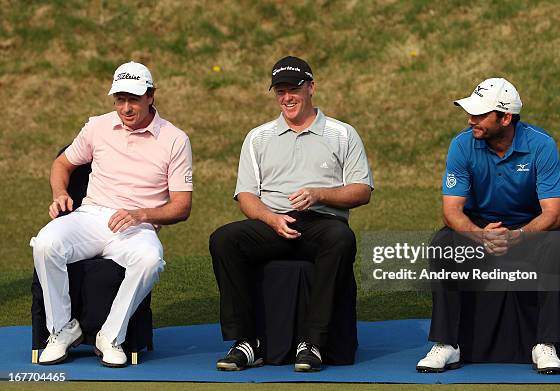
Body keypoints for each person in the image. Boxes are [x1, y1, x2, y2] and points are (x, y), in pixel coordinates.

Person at [209, 56, 373, 372]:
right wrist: (271, 219)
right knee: (224, 240)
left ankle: (312, 343)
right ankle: (245, 342)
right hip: (272, 222)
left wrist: (319, 194)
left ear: (311, 87)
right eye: (280, 91)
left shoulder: (342, 134)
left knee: (341, 238)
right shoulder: (259, 137)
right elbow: (246, 196)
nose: (287, 98)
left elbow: (361, 191)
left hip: (322, 222)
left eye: (293, 90)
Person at [31, 61, 193, 367]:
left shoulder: (175, 139)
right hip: (90, 216)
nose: (126, 108)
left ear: (151, 96)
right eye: (120, 99)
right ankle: (62, 330)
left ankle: (111, 336)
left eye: (133, 99)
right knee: (45, 243)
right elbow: (61, 164)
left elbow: (182, 206)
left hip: (137, 227)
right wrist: (60, 194)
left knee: (150, 259)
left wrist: (141, 214)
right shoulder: (97, 126)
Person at [416, 78, 560, 374]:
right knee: (443, 243)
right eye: (470, 113)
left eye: (480, 114)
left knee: (558, 243)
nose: (470, 120)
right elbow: (451, 212)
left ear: (506, 117)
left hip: (528, 229)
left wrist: (519, 236)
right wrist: (479, 234)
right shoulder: (462, 145)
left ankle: (545, 343)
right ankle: (446, 343)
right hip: (477, 228)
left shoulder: (542, 145)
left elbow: (553, 213)